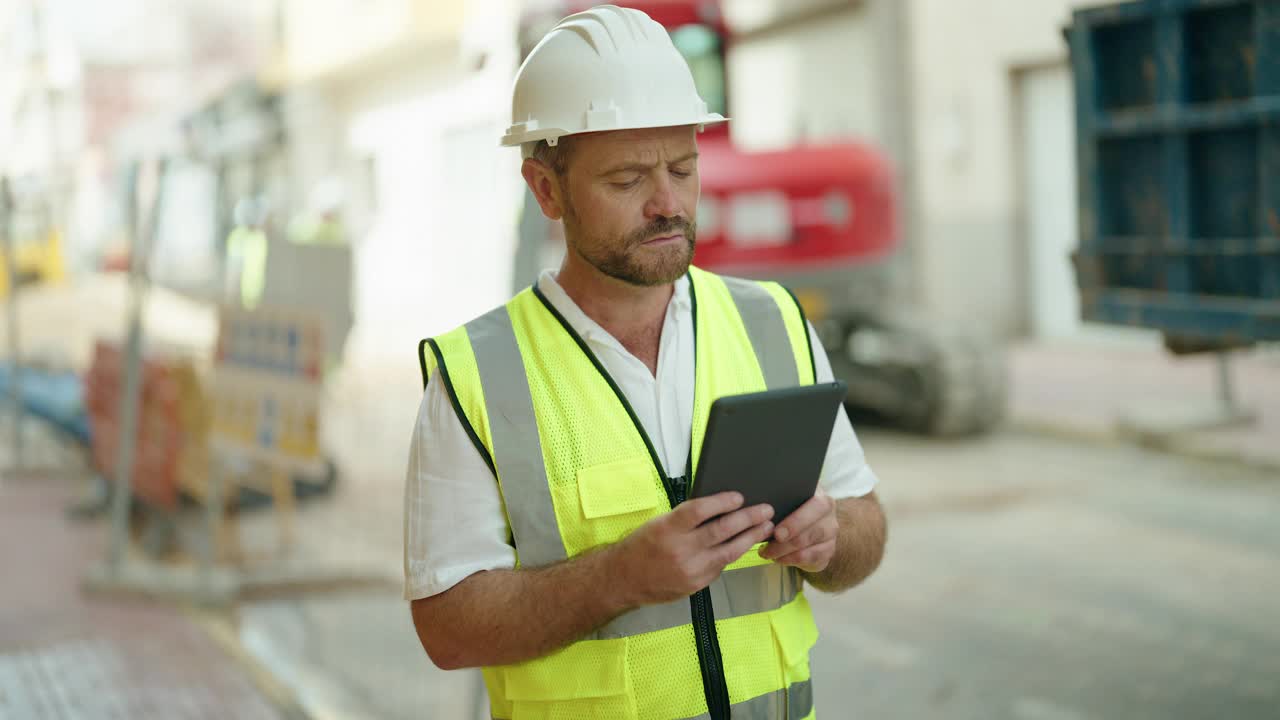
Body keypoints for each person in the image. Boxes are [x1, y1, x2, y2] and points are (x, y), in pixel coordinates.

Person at [404, 6, 886, 719]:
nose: (668, 203)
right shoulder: (477, 378)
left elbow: (866, 523)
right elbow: (446, 627)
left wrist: (833, 536)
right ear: (546, 190)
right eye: (628, 180)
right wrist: (617, 578)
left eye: (682, 168)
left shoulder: (773, 324)